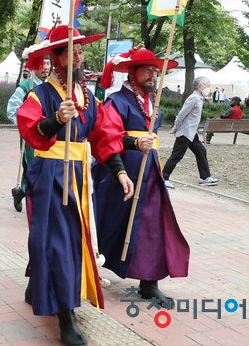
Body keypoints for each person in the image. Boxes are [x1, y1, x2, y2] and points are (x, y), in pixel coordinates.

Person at [17, 25, 134, 346]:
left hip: (81, 176)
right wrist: (55, 118)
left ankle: (37, 283)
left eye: (82, 51)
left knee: (62, 238)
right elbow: (29, 129)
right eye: (74, 51)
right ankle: (66, 316)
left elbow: (103, 136)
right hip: (50, 174)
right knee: (58, 241)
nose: (81, 57)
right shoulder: (39, 95)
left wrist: (120, 171)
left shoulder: (87, 97)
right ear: (57, 58)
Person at [92, 47, 190, 310]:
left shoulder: (152, 102)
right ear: (132, 73)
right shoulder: (116, 101)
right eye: (147, 69)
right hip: (123, 172)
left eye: (155, 70)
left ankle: (149, 280)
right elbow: (106, 137)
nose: (152, 74)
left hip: (151, 173)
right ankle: (89, 266)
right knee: (117, 224)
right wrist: (135, 142)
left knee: (153, 226)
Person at [6, 55, 51, 212]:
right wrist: (25, 126)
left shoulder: (51, 86)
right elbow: (12, 109)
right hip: (32, 135)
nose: (45, 67)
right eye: (42, 64)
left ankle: (23, 192)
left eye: (48, 63)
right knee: (33, 164)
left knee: (43, 166)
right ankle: (34, 198)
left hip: (49, 135)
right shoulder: (26, 86)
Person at [162, 76, 219, 188]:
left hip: (192, 133)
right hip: (185, 132)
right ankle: (163, 178)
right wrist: (175, 127)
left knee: (201, 151)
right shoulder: (193, 98)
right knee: (177, 155)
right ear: (199, 86)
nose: (208, 89)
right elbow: (182, 114)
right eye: (207, 86)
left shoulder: (199, 98)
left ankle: (204, 177)